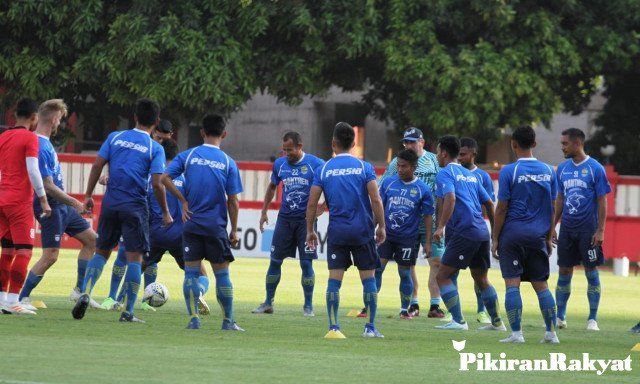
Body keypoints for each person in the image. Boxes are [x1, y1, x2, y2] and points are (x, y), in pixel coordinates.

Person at [72, 98, 169, 323]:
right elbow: (157, 184)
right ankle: (129, 312)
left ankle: (85, 292)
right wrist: (165, 212)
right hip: (135, 207)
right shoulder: (155, 148)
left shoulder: (114, 137)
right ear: (156, 121)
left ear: (135, 117)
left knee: (102, 251)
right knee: (135, 258)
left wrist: (87, 196)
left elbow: (97, 165)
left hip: (110, 204)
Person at [102, 140, 211, 314]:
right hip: (180, 236)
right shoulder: (187, 179)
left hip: (155, 234)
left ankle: (120, 300)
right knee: (202, 274)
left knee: (137, 266)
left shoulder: (151, 180)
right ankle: (198, 293)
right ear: (177, 156)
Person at [162, 114, 243, 331]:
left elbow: (164, 178)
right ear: (224, 134)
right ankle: (228, 321)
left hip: (191, 225)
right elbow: (233, 201)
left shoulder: (188, 156)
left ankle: (194, 319)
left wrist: (183, 201)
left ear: (202, 132)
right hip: (215, 227)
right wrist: (234, 230)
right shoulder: (228, 162)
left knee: (190, 273)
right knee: (222, 275)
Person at [306, 122, 386, 339]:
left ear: (333, 143)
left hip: (338, 232)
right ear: (354, 143)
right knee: (369, 279)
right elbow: (376, 199)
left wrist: (310, 230)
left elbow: (312, 203)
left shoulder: (323, 169)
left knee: (334, 279)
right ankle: (369, 328)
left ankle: (334, 328)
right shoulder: (364, 168)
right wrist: (381, 225)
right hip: (362, 231)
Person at [18, 99, 100, 310]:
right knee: (51, 255)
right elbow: (47, 185)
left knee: (92, 240)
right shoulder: (38, 144)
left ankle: (79, 292)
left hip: (63, 208)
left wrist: (71, 205)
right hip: (51, 208)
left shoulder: (46, 143)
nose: (60, 124)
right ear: (54, 119)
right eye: (60, 120)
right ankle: (22, 298)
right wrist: (75, 202)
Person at [492, 125, 559, 344]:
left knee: (512, 284)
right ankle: (551, 333)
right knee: (541, 285)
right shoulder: (550, 171)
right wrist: (549, 237)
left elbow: (501, 208)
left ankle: (517, 334)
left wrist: (495, 238)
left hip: (513, 235)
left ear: (513, 144)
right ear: (535, 143)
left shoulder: (509, 171)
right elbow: (551, 207)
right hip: (538, 236)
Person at [369, 127, 444, 319]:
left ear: (422, 142)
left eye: (412, 141)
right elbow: (383, 186)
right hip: (402, 224)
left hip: (430, 219)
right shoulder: (397, 162)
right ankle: (413, 303)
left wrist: (443, 221)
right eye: (406, 142)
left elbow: (443, 187)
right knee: (407, 266)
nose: (408, 145)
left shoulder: (434, 160)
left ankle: (435, 305)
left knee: (436, 261)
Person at [431, 136, 503, 331]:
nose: (437, 155)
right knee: (481, 278)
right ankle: (497, 323)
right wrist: (494, 235)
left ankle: (458, 321)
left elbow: (450, 198)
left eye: (438, 151)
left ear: (444, 152)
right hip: (480, 231)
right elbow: (489, 203)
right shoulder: (471, 174)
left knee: (443, 276)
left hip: (465, 231)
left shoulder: (445, 173)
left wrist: (441, 226)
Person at [100, 118, 174, 307]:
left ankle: (146, 300)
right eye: (158, 138)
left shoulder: (166, 155)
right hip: (136, 207)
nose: (161, 142)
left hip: (154, 215)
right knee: (124, 253)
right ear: (153, 131)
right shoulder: (144, 148)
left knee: (150, 258)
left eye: (165, 140)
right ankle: (111, 297)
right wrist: (109, 175)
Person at [253, 132, 324, 316]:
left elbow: (330, 185)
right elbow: (272, 186)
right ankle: (268, 303)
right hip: (284, 220)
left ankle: (308, 306)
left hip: (306, 222)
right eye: (284, 150)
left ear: (300, 146)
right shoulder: (279, 164)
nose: (286, 154)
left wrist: (324, 206)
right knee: (275, 261)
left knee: (306, 264)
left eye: (289, 150)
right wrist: (263, 211)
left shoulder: (316, 164)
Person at [554, 128, 611, 331]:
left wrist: (601, 230)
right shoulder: (562, 169)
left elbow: (602, 200)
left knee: (591, 270)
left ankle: (592, 319)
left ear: (577, 143)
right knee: (564, 270)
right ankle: (560, 316)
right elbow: (560, 199)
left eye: (565, 144)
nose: (562, 147)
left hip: (588, 230)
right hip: (568, 229)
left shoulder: (595, 168)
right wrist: (553, 226)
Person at [0, 98, 52, 315]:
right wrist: (43, 199)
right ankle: (13, 301)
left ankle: (2, 298)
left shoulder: (3, 136)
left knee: (8, 251)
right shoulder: (31, 138)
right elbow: (33, 170)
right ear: (33, 118)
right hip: (19, 202)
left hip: (2, 199)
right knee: (24, 251)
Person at [376, 149, 434, 319]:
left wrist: (428, 242)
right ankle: (369, 306)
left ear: (414, 167)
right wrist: (373, 227)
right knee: (377, 269)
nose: (400, 169)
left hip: (408, 239)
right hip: (386, 236)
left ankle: (403, 309)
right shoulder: (388, 183)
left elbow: (428, 216)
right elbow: (379, 208)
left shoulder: (422, 189)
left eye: (404, 166)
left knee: (404, 273)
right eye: (399, 166)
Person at [458, 137, 495, 324]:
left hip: (476, 228)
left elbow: (489, 203)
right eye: (458, 154)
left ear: (473, 153)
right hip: (457, 228)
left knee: (479, 274)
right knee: (451, 270)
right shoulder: (453, 174)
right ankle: (452, 312)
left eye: (463, 154)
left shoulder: (483, 177)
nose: (460, 158)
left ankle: (482, 311)